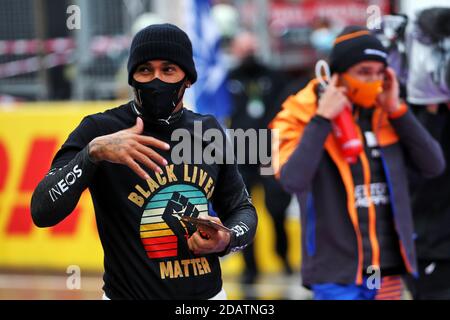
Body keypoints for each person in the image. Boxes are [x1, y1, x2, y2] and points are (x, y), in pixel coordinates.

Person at [30, 23, 257, 300]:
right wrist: (91, 155)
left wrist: (228, 239)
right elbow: (42, 210)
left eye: (168, 70)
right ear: (132, 76)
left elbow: (242, 209)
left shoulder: (207, 130)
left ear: (188, 78)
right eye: (145, 70)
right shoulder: (100, 129)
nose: (156, 80)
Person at [269, 26, 445, 300]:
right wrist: (322, 119)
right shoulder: (298, 114)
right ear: (337, 75)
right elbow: (291, 180)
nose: (373, 80)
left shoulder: (387, 112)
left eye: (379, 72)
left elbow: (434, 165)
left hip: (385, 268)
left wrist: (398, 109)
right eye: (364, 72)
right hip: (335, 273)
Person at [226, 32, 293, 284]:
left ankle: (283, 257)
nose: (249, 53)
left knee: (277, 209)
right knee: (243, 213)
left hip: (268, 155)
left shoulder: (273, 76)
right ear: (234, 51)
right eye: (244, 49)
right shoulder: (228, 79)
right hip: (241, 157)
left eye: (252, 47)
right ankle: (250, 267)